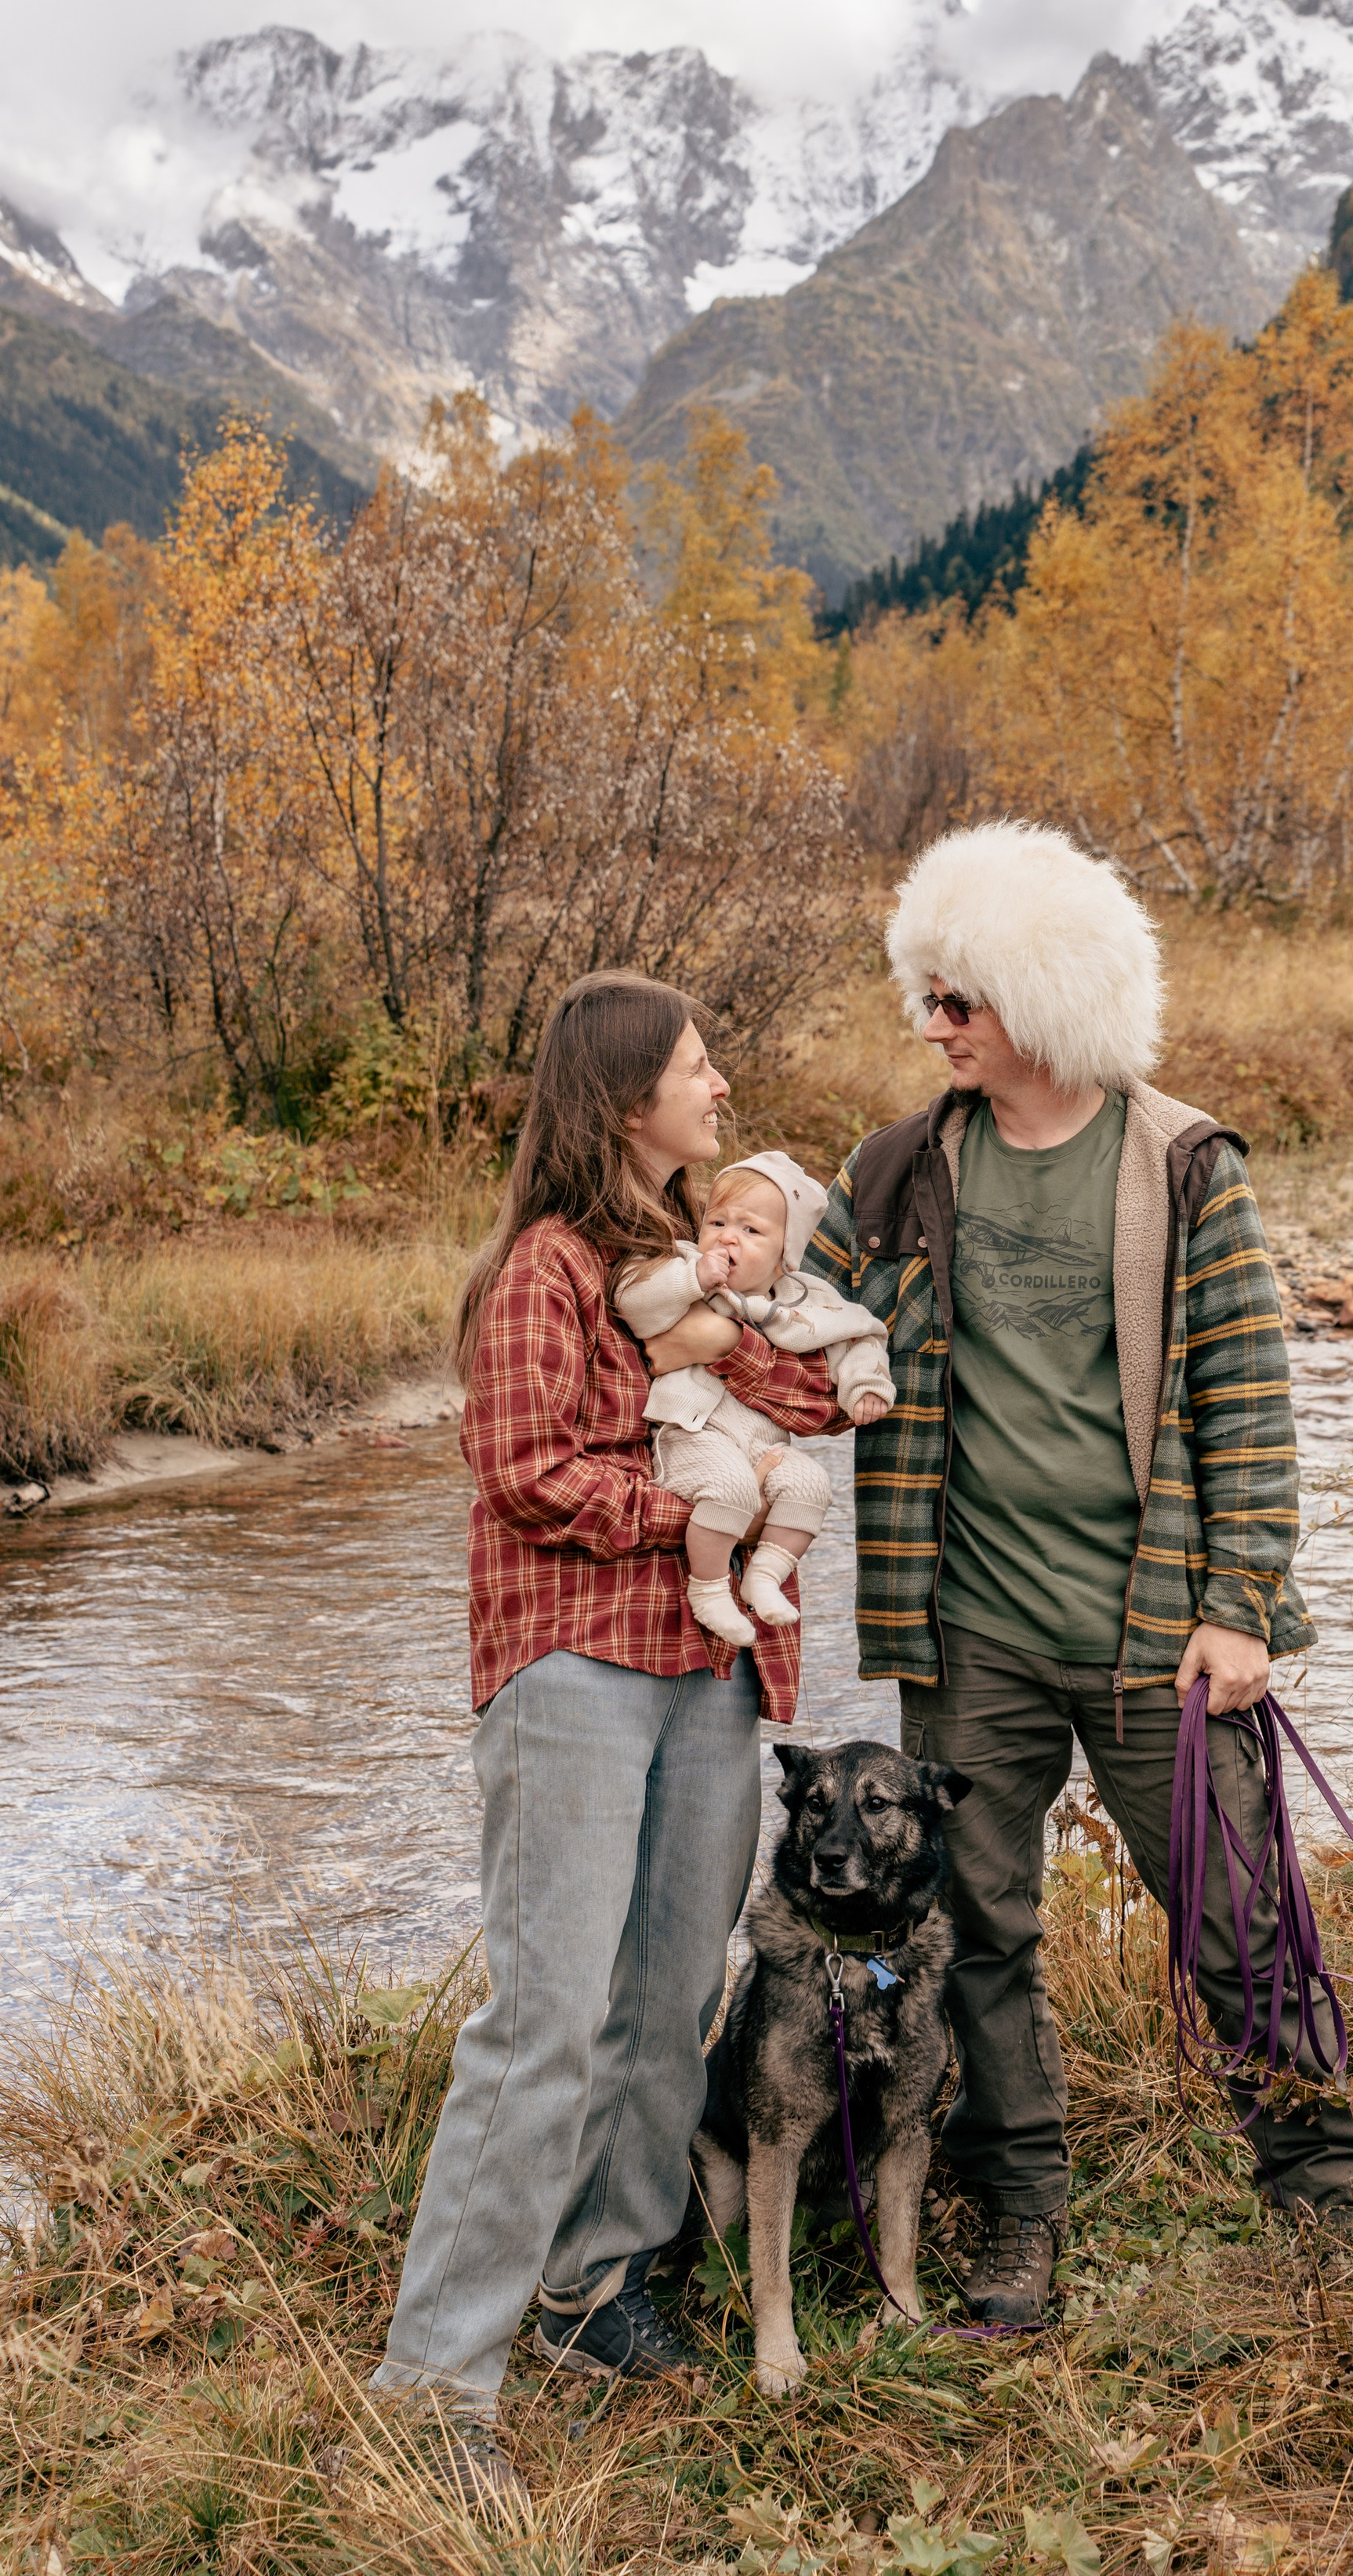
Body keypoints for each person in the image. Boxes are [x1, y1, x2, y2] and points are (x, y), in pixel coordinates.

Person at [807, 821, 1353, 2330]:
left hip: (1155, 1636)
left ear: (1041, 998)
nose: (932, 1028)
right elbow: (804, 1313)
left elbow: (1248, 1401)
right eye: (927, 998)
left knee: (1240, 1919)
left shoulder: (1184, 1167)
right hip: (966, 1631)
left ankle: (1326, 2205)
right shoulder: (902, 1168)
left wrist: (1241, 1605)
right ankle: (1022, 2230)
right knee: (975, 1934)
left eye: (958, 1002)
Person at [370, 972, 838, 2509]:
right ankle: (432, 2389)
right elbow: (520, 1467)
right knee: (549, 2015)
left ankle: (590, 2284)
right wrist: (700, 1510)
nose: (719, 1090)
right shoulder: (545, 1272)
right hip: (572, 1667)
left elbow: (810, 1401)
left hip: (711, 1673)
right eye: (697, 1070)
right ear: (625, 1098)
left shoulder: (698, 1267)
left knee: (662, 1997)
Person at [614, 1150, 894, 1645]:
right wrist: (692, 1280)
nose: (727, 1237)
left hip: (763, 1444)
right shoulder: (682, 1266)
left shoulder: (806, 1299)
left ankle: (764, 1574)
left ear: (786, 1253)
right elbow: (632, 1302)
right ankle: (709, 1589)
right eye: (718, 1221)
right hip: (693, 1432)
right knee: (731, 1489)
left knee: (811, 1484)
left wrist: (865, 1386)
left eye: (751, 1230)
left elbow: (861, 1336)